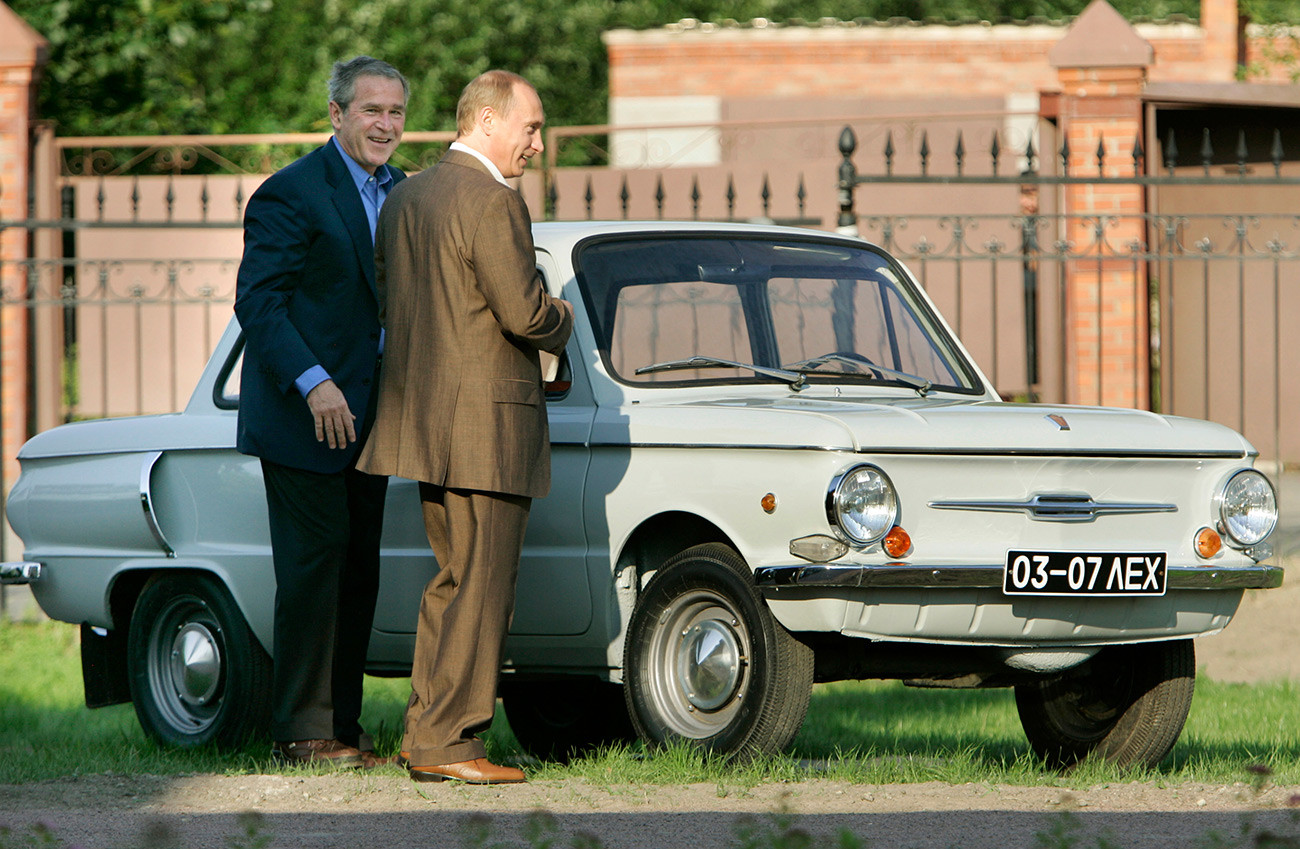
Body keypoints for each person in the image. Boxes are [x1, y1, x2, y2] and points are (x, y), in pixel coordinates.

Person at [356, 70, 573, 784]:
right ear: (485, 121)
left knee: (451, 581)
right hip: (489, 428)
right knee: (480, 587)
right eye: (530, 127)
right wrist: (566, 317)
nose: (536, 144)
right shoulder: (493, 200)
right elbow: (524, 312)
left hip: (427, 423)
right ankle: (453, 744)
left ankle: (426, 733)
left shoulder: (406, 197)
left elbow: (396, 300)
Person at [233, 55, 408, 768]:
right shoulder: (291, 193)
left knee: (358, 569)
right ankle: (301, 732)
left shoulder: (402, 195)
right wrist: (314, 382)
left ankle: (340, 725)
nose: (386, 124)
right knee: (313, 570)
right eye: (372, 110)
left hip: (372, 423)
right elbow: (259, 304)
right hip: (304, 418)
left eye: (396, 112)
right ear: (337, 114)